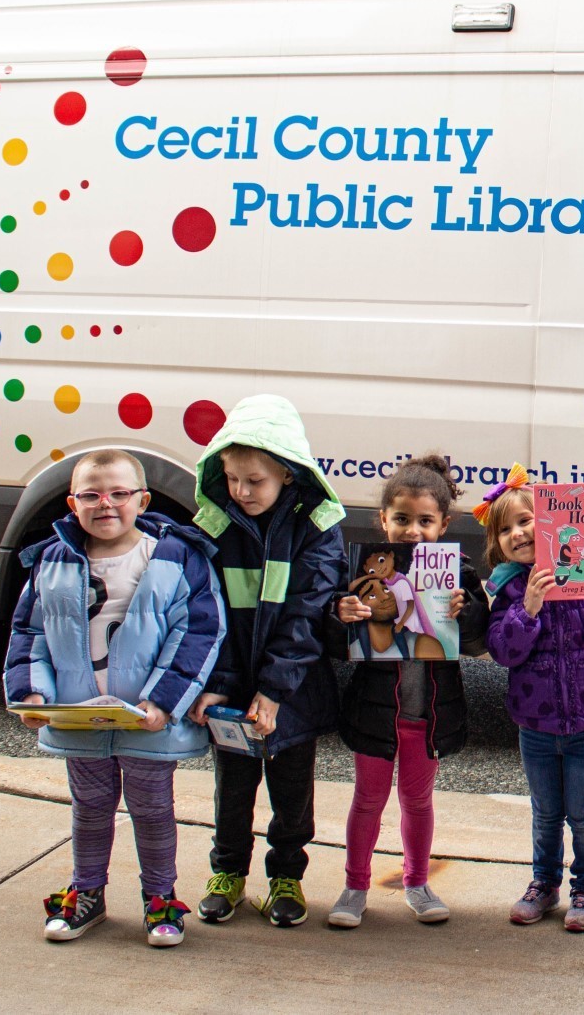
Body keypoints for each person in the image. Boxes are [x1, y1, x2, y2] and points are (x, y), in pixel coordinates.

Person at [4, 449, 225, 947]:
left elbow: (198, 633)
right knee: (89, 807)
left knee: (152, 809)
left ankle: (160, 899)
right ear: (72, 502)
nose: (106, 504)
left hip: (147, 719)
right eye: (91, 495)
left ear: (142, 499)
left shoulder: (173, 556)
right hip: (81, 718)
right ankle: (87, 893)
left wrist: (164, 702)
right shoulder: (52, 561)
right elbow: (28, 632)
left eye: (119, 494)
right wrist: (30, 694)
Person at [187, 394, 345, 929]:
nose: (241, 491)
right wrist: (217, 685)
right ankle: (227, 872)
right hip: (233, 696)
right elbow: (210, 617)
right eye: (232, 478)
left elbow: (305, 618)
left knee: (292, 794)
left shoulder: (317, 530)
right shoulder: (216, 527)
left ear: (287, 473)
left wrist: (275, 690)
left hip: (294, 692)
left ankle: (286, 877)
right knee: (232, 790)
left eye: (255, 480)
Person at [322, 454, 491, 929]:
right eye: (401, 519)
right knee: (367, 801)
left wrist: (469, 612)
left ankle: (417, 882)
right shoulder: (364, 577)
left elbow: (480, 643)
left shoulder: (457, 574)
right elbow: (335, 643)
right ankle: (355, 887)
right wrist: (344, 617)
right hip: (375, 715)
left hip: (428, 716)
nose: (412, 530)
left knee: (418, 802)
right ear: (382, 520)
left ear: (445, 524)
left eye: (424, 520)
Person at [480, 465, 584, 933]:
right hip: (535, 722)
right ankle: (544, 884)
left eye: (525, 520)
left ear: (550, 522)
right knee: (545, 812)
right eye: (505, 529)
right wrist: (528, 608)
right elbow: (502, 650)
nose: (517, 534)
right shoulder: (509, 587)